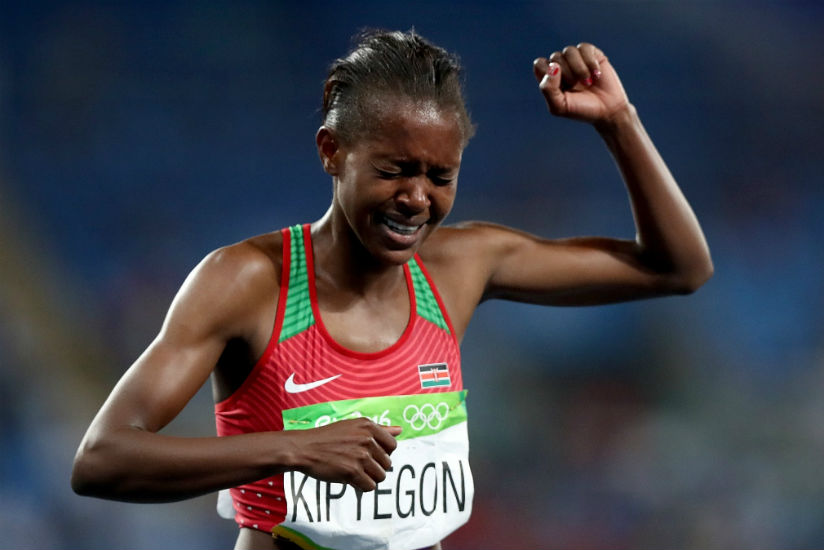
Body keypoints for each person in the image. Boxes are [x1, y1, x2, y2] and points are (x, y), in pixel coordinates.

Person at [71, 29, 712, 550]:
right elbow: (102, 459)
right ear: (332, 151)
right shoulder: (247, 281)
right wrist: (294, 449)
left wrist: (619, 120)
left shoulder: (460, 266)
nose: (416, 198)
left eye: (440, 176)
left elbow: (677, 268)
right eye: (394, 170)